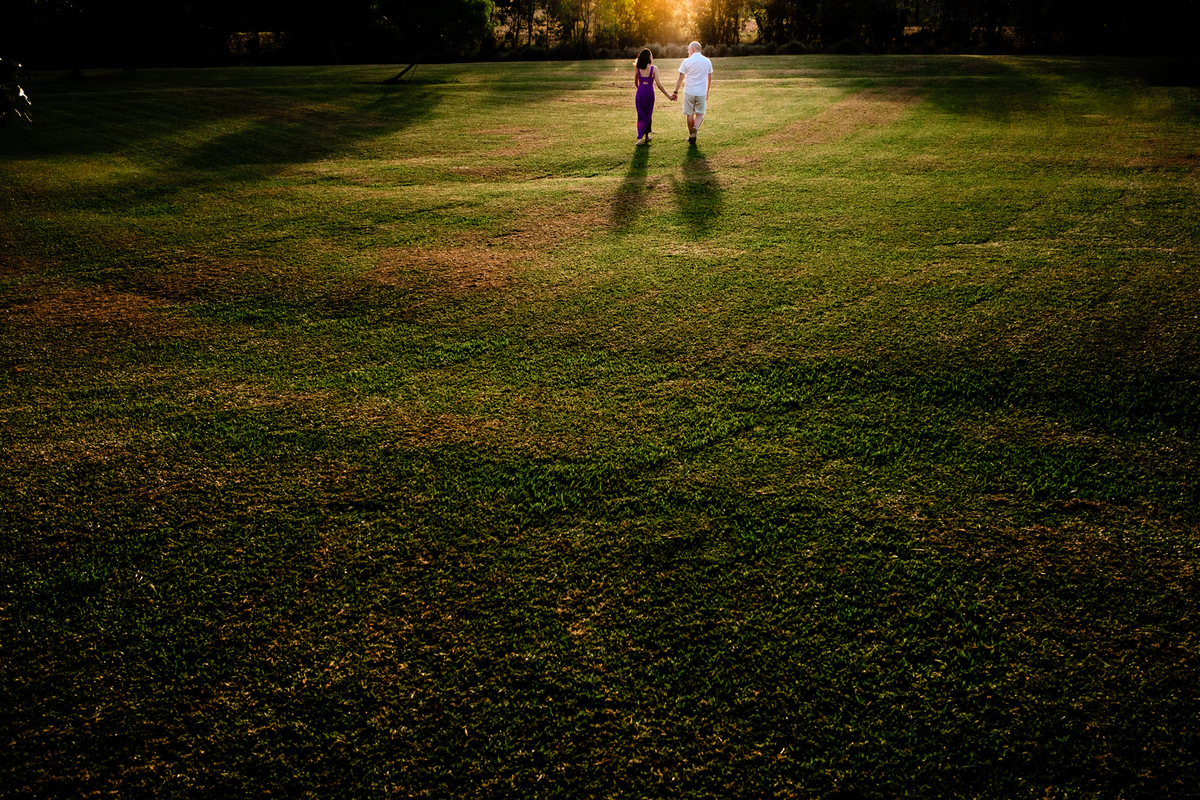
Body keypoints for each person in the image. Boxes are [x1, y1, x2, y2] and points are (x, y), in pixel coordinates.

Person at [672, 42, 713, 145]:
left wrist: (675, 92)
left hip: (689, 91)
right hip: (701, 93)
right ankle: (695, 129)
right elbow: (709, 78)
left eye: (688, 50)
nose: (688, 51)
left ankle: (691, 135)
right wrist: (707, 92)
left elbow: (680, 77)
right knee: (700, 114)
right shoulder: (707, 61)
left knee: (689, 114)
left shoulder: (687, 61)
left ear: (693, 50)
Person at [633, 48, 674, 145]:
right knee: (648, 114)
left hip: (640, 93)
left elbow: (636, 82)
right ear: (649, 57)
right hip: (649, 94)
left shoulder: (638, 68)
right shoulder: (654, 68)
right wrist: (668, 96)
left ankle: (640, 139)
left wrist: (641, 88)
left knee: (640, 115)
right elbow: (659, 85)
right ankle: (647, 136)